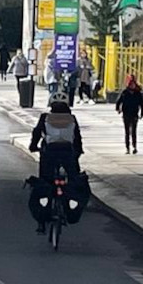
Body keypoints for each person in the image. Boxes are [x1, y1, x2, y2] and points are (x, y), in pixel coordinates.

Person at [28, 99, 84, 233]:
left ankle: (41, 223)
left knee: (44, 182)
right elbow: (77, 137)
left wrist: (33, 146)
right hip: (67, 153)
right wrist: (78, 152)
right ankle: (70, 205)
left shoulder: (45, 118)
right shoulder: (72, 119)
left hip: (49, 154)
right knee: (74, 179)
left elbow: (37, 133)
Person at [114, 74, 143, 153]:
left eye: (133, 84)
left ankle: (134, 146)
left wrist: (142, 112)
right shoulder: (124, 92)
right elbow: (119, 101)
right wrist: (118, 109)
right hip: (126, 114)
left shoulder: (138, 93)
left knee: (134, 131)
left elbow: (142, 104)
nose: (132, 85)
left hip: (134, 114)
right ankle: (127, 148)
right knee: (127, 132)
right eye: (130, 84)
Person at [12, 45, 37, 109]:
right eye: (18, 53)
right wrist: (8, 71)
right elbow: (12, 64)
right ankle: (20, 92)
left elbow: (26, 65)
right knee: (18, 83)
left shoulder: (24, 59)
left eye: (20, 53)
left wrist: (26, 72)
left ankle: (22, 93)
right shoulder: (15, 58)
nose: (19, 54)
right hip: (16, 73)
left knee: (23, 84)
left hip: (23, 73)